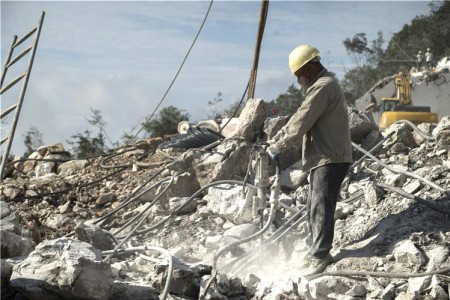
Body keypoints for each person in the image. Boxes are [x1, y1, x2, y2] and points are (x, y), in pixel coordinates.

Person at [266, 44, 353, 276]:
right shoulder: (321, 86)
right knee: (315, 206)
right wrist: (278, 138)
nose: (299, 80)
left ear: (310, 67)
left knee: (322, 206)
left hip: (330, 157)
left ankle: (321, 255)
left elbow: (301, 121)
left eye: (299, 74)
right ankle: (315, 249)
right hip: (324, 157)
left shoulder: (323, 87)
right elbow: (301, 117)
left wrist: (278, 145)